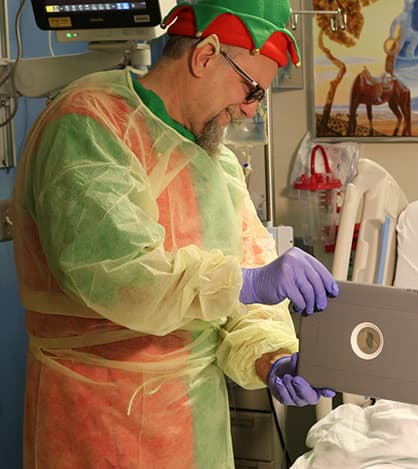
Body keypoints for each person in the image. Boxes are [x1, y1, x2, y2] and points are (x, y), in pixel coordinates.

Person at [11, 0, 337, 467]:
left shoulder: (216, 162)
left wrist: (272, 359)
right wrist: (245, 282)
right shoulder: (90, 125)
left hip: (194, 424)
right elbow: (119, 275)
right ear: (205, 55)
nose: (248, 110)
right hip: (95, 415)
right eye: (250, 90)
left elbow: (243, 286)